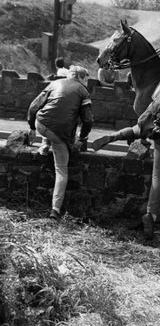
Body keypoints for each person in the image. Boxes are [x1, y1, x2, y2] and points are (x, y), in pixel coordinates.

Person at [27, 65, 93, 220]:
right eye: (87, 80)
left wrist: (31, 128)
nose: (87, 83)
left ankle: (44, 144)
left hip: (41, 124)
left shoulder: (54, 83)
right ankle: (55, 210)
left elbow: (33, 106)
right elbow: (88, 120)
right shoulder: (83, 91)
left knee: (52, 119)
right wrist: (82, 138)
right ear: (81, 78)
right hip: (59, 134)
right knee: (62, 171)